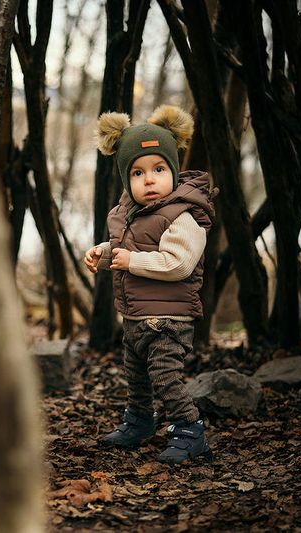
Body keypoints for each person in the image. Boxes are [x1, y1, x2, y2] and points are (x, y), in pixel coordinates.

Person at [84, 105, 215, 464]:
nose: (150, 180)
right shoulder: (129, 213)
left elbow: (179, 263)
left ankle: (190, 431)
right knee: (137, 376)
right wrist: (104, 252)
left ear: (173, 170)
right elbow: (129, 248)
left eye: (159, 169)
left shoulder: (182, 216)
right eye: (138, 173)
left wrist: (131, 261)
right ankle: (140, 420)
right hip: (136, 317)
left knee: (165, 376)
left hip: (169, 320)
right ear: (126, 179)